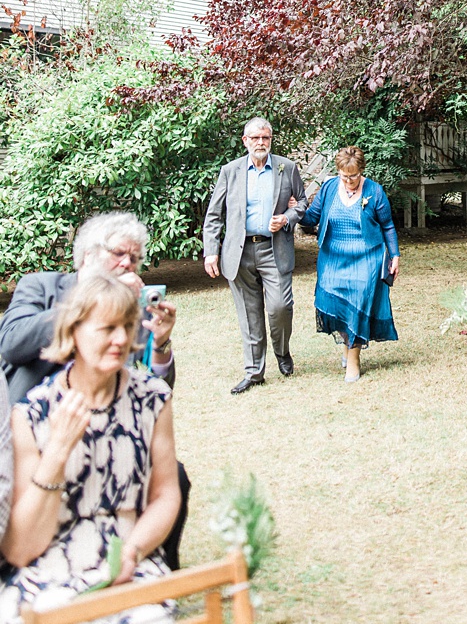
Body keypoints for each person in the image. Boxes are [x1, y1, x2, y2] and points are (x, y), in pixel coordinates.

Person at [0, 214, 189, 573]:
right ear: (87, 256)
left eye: (134, 259)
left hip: (108, 428)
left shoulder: (128, 308)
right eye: (119, 253)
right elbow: (11, 344)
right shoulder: (40, 286)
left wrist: (160, 343)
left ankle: (157, 567)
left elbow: (154, 391)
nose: (127, 265)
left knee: (173, 476)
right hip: (35, 434)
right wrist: (86, 306)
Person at [0, 277, 181, 622]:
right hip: (49, 568)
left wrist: (133, 551)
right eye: (106, 328)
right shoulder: (31, 414)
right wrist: (57, 452)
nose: (120, 339)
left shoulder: (153, 398)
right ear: (74, 330)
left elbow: (166, 494)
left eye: (126, 327)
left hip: (129, 561)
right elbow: (20, 549)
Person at [200, 118, 306, 394]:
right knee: (249, 315)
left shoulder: (286, 167)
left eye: (266, 138)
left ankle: (282, 352)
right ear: (245, 141)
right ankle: (254, 372)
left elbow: (303, 202)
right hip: (239, 252)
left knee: (280, 307)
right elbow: (214, 215)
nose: (261, 143)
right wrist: (211, 252)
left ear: (271, 140)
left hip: (274, 249)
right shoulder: (230, 171)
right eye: (256, 138)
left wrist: (286, 217)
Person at [298, 146, 400, 382]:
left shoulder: (374, 191)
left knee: (357, 303)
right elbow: (312, 217)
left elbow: (388, 226)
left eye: (353, 176)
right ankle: (347, 345)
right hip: (333, 258)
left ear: (361, 171)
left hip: (366, 258)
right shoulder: (329, 187)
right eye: (344, 176)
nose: (349, 181)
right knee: (335, 302)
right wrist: (295, 210)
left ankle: (353, 360)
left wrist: (395, 255)